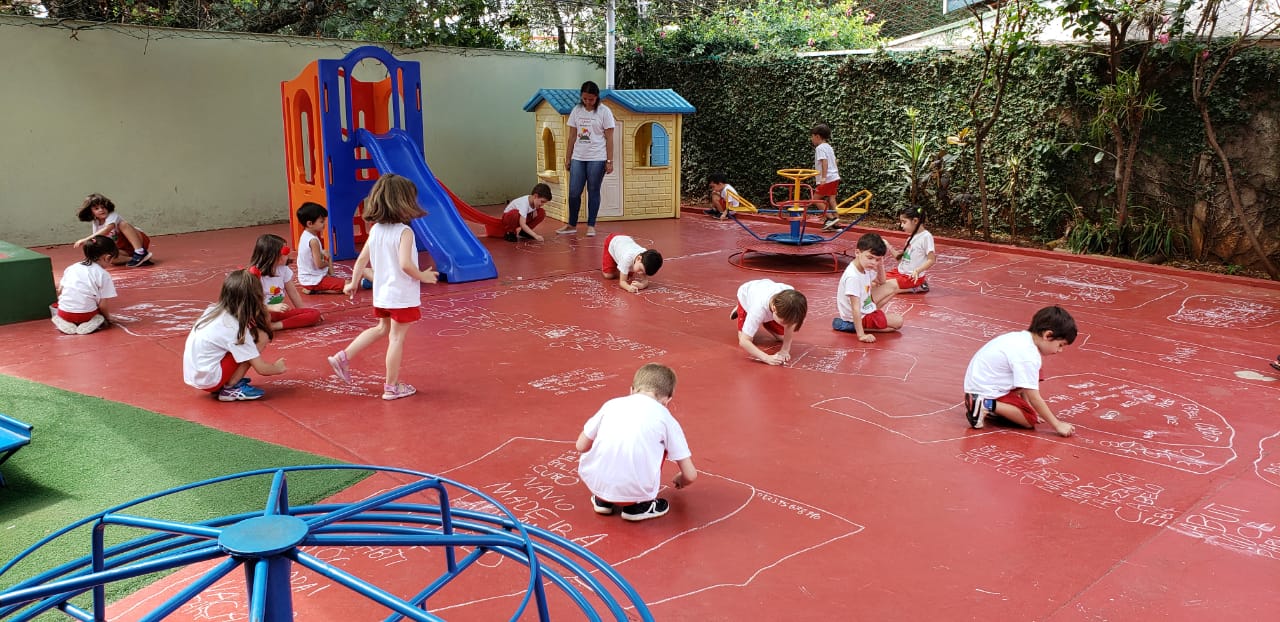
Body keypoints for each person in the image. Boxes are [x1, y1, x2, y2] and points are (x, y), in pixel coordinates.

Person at [327, 174, 439, 401]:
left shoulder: (376, 229)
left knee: (381, 329)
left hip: (383, 294)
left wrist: (352, 283)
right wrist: (423, 276)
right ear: (405, 202)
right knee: (396, 338)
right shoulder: (404, 232)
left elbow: (360, 261)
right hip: (401, 294)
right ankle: (391, 386)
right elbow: (406, 264)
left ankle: (343, 356)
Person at [576, 363, 697, 522]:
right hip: (635, 490)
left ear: (632, 389)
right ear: (667, 400)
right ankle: (639, 505)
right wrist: (682, 479)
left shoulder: (611, 404)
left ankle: (602, 500)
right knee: (655, 446)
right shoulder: (666, 418)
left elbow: (581, 446)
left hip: (596, 483)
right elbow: (690, 475)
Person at [963, 305, 1078, 437]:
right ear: (1048, 335)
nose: (1060, 350)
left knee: (1034, 376)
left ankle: (988, 406)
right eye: (1060, 345)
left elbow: (1025, 386)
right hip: (986, 389)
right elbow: (1034, 396)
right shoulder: (1028, 356)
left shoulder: (1022, 339)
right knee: (1029, 419)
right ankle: (984, 404)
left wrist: (1026, 407)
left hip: (981, 383)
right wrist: (1057, 424)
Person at [182, 269, 287, 401]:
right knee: (261, 337)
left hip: (197, 374)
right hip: (209, 379)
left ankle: (228, 382)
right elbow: (262, 369)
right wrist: (277, 368)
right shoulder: (235, 329)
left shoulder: (212, 310)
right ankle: (231, 388)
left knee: (251, 339)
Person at [556, 81, 615, 238]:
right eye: (585, 99)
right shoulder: (577, 110)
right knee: (574, 192)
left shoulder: (604, 112)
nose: (588, 102)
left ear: (597, 97)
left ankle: (591, 225)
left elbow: (609, 138)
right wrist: (568, 157)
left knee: (593, 190)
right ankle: (571, 225)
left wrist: (610, 161)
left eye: (591, 99)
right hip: (578, 157)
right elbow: (572, 136)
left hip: (597, 157)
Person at [833, 233, 904, 341]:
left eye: (877, 259)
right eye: (870, 258)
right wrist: (861, 335)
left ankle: (868, 321)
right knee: (898, 321)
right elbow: (855, 308)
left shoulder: (864, 266)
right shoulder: (853, 276)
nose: (873, 263)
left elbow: (882, 281)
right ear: (857, 252)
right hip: (858, 316)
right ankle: (855, 327)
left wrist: (880, 262)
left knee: (892, 286)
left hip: (865, 306)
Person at [248, 234, 322, 331]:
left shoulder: (283, 269)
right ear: (272, 255)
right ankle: (266, 325)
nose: (288, 255)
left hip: (277, 313)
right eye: (285, 251)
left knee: (314, 314)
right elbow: (249, 304)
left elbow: (293, 293)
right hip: (260, 313)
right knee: (251, 320)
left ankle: (274, 326)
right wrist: (270, 307)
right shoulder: (254, 273)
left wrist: (303, 312)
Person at [296, 202, 372, 294]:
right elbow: (319, 264)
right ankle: (317, 290)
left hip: (308, 278)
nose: (324, 224)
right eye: (321, 221)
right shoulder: (313, 241)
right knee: (348, 284)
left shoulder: (306, 235)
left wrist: (326, 259)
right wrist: (328, 262)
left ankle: (326, 281)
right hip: (313, 280)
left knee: (326, 254)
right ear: (310, 223)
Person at [52, 235, 118, 335]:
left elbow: (60, 290)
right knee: (100, 317)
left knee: (60, 308)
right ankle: (93, 322)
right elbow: (103, 304)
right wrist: (107, 318)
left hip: (64, 312)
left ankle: (63, 320)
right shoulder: (103, 274)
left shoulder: (71, 268)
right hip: (87, 315)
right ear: (107, 257)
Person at [732, 279, 808, 366]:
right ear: (774, 309)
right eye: (784, 322)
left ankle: (766, 321)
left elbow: (790, 325)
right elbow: (744, 341)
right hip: (746, 296)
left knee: (782, 338)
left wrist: (785, 350)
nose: (787, 326)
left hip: (765, 295)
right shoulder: (757, 309)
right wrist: (767, 358)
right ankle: (740, 308)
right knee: (747, 338)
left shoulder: (792, 301)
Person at [74, 193, 153, 267]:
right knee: (109, 257)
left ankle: (140, 251)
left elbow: (108, 228)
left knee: (123, 224)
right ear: (91, 212)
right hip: (124, 249)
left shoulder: (112, 215)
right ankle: (138, 259)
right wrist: (92, 257)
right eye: (96, 208)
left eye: (103, 207)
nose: (101, 210)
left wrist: (86, 239)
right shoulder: (96, 223)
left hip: (138, 241)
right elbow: (98, 239)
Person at [885, 205, 936, 294]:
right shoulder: (910, 238)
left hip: (911, 277)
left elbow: (931, 259)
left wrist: (917, 271)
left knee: (885, 287)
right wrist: (888, 246)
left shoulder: (926, 237)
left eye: (904, 222)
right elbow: (902, 260)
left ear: (915, 221)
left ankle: (916, 288)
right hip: (900, 273)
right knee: (877, 281)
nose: (901, 225)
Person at [811, 124, 841, 230]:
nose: (812, 139)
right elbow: (835, 161)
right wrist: (836, 173)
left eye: (812, 136)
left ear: (817, 136)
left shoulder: (820, 148)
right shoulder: (829, 147)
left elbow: (825, 162)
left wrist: (823, 178)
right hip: (834, 177)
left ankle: (830, 218)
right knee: (832, 199)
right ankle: (837, 221)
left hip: (827, 178)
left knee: (815, 200)